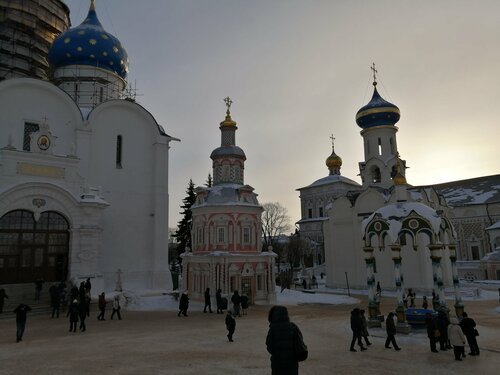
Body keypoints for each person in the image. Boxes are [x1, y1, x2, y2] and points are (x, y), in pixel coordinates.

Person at [266, 305, 307, 375]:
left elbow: (269, 347)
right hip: (292, 365)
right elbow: (299, 344)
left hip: (277, 365)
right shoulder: (293, 327)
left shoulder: (273, 329)